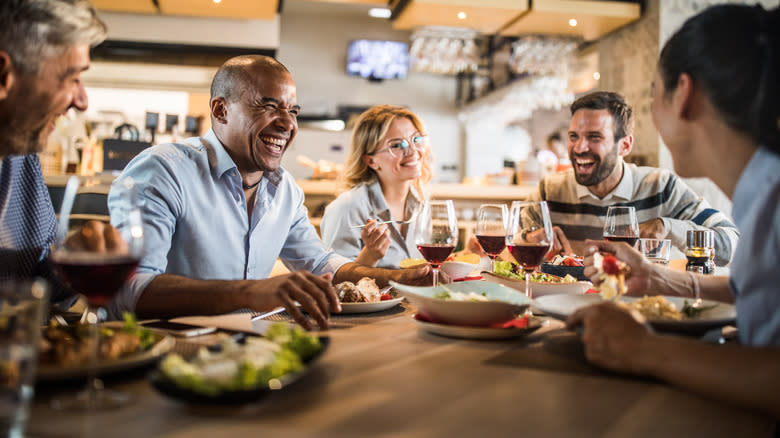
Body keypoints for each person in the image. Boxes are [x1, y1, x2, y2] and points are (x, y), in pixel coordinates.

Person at [107, 55, 430, 330]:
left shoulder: (284, 189)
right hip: (161, 352)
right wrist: (252, 292)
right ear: (221, 111)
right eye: (268, 106)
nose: (287, 123)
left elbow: (319, 263)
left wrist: (394, 277)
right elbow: (130, 289)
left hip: (244, 351)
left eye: (292, 111)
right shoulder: (165, 170)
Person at [568, 4, 780, 418]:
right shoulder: (762, 191)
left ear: (684, 94)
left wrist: (643, 349)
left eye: (652, 94)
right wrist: (661, 279)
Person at [530, 91, 739, 265]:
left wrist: (667, 227)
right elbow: (517, 237)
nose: (579, 147)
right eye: (574, 136)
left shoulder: (661, 187)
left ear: (625, 145)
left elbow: (731, 243)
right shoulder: (549, 190)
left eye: (594, 137)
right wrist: (531, 239)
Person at [0, 0, 110, 310]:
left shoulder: (20, 158)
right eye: (72, 77)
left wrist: (68, 265)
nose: (82, 100)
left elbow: (32, 284)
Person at [320, 105, 432, 268]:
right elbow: (334, 282)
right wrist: (369, 257)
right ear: (371, 161)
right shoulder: (347, 208)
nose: (413, 151)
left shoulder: (421, 202)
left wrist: (463, 256)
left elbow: (423, 267)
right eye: (396, 145)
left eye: (416, 139)